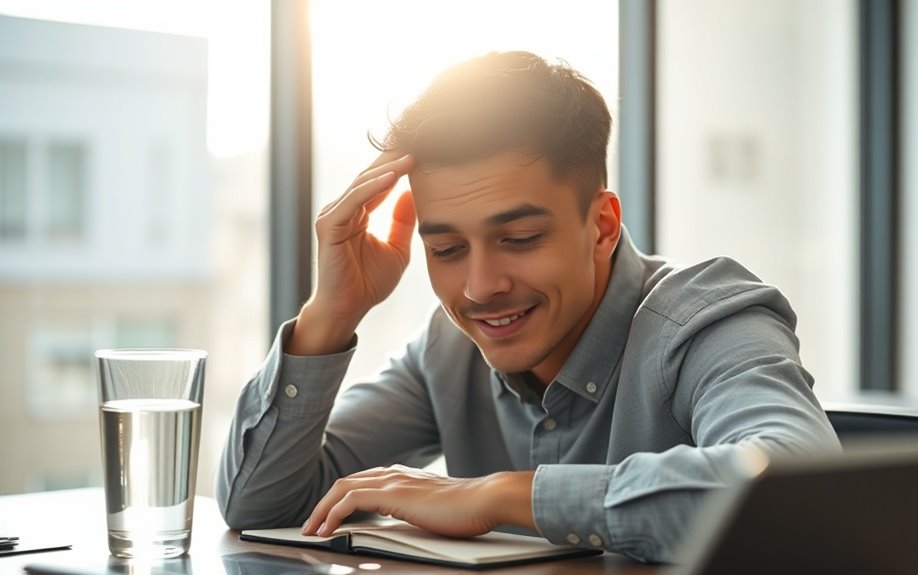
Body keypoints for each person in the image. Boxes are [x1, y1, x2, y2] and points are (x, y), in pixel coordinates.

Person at [215, 50, 840, 563]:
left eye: (519, 239)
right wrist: (331, 314)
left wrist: (502, 497)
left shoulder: (707, 322)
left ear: (600, 225)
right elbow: (260, 506)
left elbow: (801, 494)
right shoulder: (448, 349)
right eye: (448, 247)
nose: (480, 287)